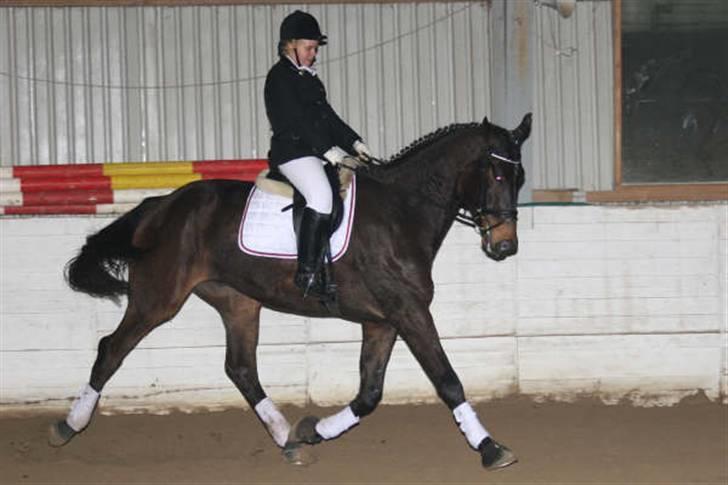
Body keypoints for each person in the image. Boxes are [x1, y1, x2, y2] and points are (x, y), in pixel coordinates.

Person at [264, 10, 373, 300]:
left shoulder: (311, 79)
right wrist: (329, 151)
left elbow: (328, 118)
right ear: (290, 46)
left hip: (316, 153)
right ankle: (307, 273)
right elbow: (297, 121)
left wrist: (355, 142)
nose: (314, 54)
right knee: (322, 198)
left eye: (314, 48)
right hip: (292, 153)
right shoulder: (279, 78)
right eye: (309, 48)